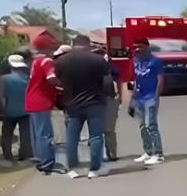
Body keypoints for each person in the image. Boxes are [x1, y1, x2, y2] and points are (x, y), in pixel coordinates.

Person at [55, 35, 111, 178]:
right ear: (88, 44)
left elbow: (57, 82)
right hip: (95, 102)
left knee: (72, 137)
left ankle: (73, 169)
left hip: (72, 103)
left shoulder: (61, 61)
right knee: (96, 136)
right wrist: (108, 96)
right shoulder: (98, 60)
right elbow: (107, 82)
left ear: (73, 44)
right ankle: (94, 168)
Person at [25, 36, 64, 175]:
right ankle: (47, 163)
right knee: (45, 134)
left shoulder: (35, 61)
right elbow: (51, 78)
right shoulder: (47, 61)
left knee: (37, 134)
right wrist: (63, 86)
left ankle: (41, 160)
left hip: (32, 99)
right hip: (41, 101)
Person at [130, 37, 165, 165]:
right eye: (136, 47)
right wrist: (132, 98)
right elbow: (136, 79)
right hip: (139, 97)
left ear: (147, 47)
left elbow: (160, 80)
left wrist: (156, 97)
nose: (138, 49)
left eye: (140, 47)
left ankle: (158, 153)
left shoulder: (155, 61)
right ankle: (148, 151)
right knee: (142, 126)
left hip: (151, 97)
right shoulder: (135, 60)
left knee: (151, 125)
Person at [0, 54, 32, 167]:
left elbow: (1, 96)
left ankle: (8, 155)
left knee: (7, 134)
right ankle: (25, 154)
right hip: (26, 110)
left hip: (9, 110)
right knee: (25, 134)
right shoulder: (29, 78)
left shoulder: (4, 79)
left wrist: (2, 109)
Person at [95, 47, 122, 161]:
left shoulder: (111, 68)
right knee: (96, 130)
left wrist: (119, 95)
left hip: (110, 98)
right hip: (94, 100)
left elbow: (118, 81)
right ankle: (97, 156)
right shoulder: (89, 68)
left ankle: (111, 153)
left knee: (109, 129)